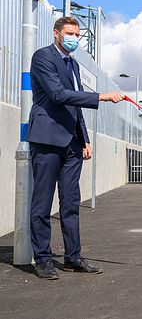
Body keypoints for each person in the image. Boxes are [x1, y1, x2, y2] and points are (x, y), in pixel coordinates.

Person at [27, 16, 125, 280]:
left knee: (70, 203)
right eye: (69, 33)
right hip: (47, 140)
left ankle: (73, 257)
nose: (74, 38)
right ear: (57, 33)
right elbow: (58, 95)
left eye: (77, 35)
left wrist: (84, 139)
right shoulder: (43, 57)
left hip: (71, 144)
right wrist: (101, 96)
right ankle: (43, 259)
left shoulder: (74, 65)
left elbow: (75, 107)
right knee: (42, 203)